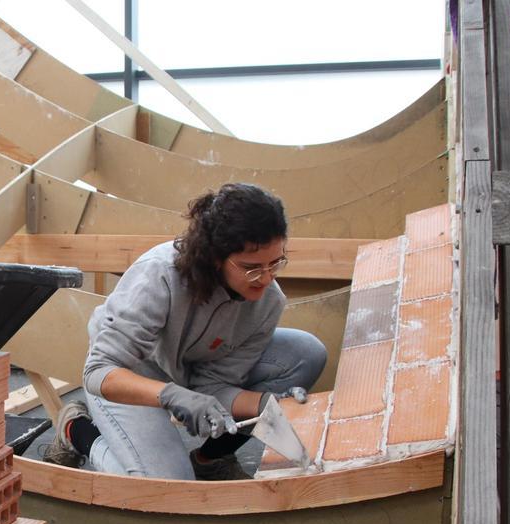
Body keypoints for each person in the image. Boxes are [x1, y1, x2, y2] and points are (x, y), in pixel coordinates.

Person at [41, 183, 327, 480]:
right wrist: (170, 395)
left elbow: (213, 387)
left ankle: (209, 460)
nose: (266, 279)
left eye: (275, 263)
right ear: (216, 256)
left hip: (189, 368)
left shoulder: (267, 301)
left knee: (305, 352)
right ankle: (78, 431)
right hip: (130, 373)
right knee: (167, 486)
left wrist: (268, 404)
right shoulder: (159, 275)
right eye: (252, 268)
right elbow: (99, 372)